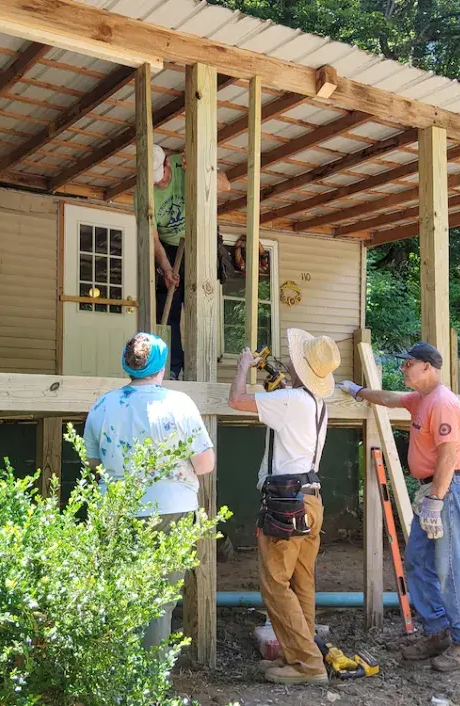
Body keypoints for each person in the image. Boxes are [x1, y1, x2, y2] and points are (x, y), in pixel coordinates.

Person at [338, 342, 460, 672]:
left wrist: (435, 499)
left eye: (409, 364)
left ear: (428, 368)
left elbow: (448, 454)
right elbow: (389, 399)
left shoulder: (443, 403)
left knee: (450, 568)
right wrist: (358, 390)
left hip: (450, 490)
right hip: (435, 490)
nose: (404, 368)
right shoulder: (420, 399)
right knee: (418, 561)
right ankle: (438, 632)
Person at [83, 332, 216, 649]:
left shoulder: (103, 404)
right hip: (171, 510)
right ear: (161, 365)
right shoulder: (179, 404)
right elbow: (205, 463)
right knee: (157, 603)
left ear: (127, 365)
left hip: (116, 509)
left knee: (118, 596)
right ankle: (150, 690)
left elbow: (93, 461)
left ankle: (115, 686)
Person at [228, 329, 341, 685]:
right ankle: (302, 655)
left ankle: (307, 664)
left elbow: (236, 400)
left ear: (302, 366)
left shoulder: (292, 400)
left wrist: (244, 366)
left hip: (287, 501)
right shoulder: (315, 403)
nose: (289, 359)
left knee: (275, 583)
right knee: (302, 581)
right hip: (311, 498)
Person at [149, 143, 231, 379]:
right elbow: (152, 237)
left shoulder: (183, 163)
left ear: (167, 162)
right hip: (170, 249)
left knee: (198, 303)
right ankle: (173, 368)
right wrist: (165, 268)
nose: (159, 183)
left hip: (202, 240)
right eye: (153, 180)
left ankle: (201, 368)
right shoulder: (145, 191)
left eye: (161, 176)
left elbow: (226, 184)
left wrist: (201, 169)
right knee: (167, 307)